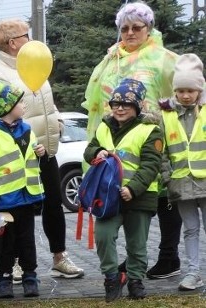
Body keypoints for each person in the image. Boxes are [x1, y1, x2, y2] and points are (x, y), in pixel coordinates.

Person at [0, 19, 85, 282]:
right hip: (16, 158)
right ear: (13, 42)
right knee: (17, 213)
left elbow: (47, 103)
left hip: (44, 151)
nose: (32, 39)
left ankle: (59, 258)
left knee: (53, 205)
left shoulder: (35, 63)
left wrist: (57, 120)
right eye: (27, 35)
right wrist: (15, 140)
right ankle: (14, 263)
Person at [83, 2, 179, 279]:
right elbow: (96, 101)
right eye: (124, 28)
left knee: (162, 197)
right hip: (116, 141)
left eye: (136, 27)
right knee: (126, 198)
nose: (130, 32)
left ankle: (169, 257)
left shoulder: (162, 58)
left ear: (148, 28)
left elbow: (185, 95)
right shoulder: (111, 58)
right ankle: (134, 258)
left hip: (155, 139)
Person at [86, 79, 162, 302]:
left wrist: (133, 188)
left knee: (137, 244)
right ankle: (112, 277)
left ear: (137, 107)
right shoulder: (104, 126)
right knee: (103, 236)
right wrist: (96, 152)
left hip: (139, 197)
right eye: (115, 103)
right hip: (108, 196)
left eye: (126, 104)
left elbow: (151, 165)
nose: (119, 108)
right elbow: (89, 148)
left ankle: (136, 281)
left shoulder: (150, 130)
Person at [0, 80, 46, 299]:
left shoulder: (27, 130)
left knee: (27, 241)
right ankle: (4, 279)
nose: (24, 106)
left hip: (26, 198)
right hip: (3, 201)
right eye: (19, 102)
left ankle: (30, 278)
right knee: (5, 244)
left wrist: (40, 153)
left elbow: (28, 161)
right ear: (6, 108)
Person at [159, 54, 206, 292]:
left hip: (205, 181)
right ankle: (193, 272)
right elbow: (162, 151)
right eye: (181, 90)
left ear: (199, 89)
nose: (186, 95)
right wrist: (167, 177)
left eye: (191, 90)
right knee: (190, 229)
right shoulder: (166, 114)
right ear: (175, 91)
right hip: (180, 183)